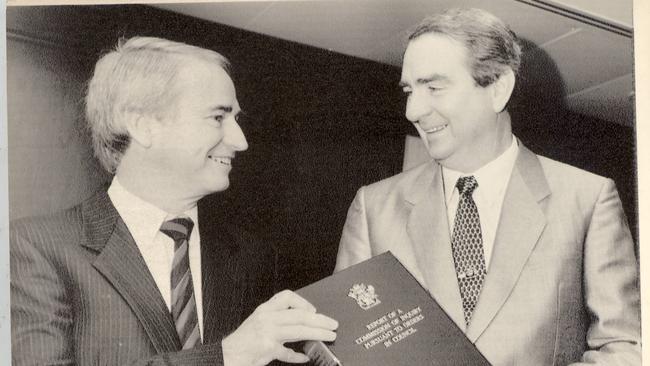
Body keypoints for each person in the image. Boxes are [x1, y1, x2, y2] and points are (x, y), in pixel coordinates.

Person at [335, 8, 640, 365]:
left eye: (433, 87)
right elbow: (348, 349)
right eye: (409, 90)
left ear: (498, 89)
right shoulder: (374, 208)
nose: (413, 110)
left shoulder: (587, 199)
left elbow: (624, 349)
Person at [10, 36, 337, 366]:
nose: (240, 141)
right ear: (143, 125)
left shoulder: (250, 256)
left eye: (236, 119)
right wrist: (226, 356)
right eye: (217, 117)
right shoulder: (34, 248)